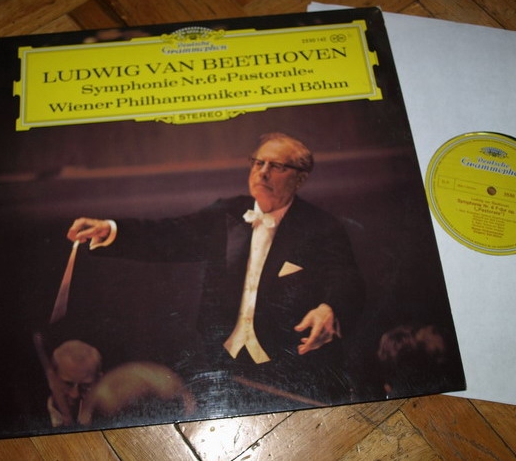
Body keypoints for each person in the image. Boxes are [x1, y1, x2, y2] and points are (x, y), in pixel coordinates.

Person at [66, 132, 364, 408]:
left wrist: (329, 308)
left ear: (300, 178)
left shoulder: (321, 227)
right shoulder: (227, 213)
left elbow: (346, 278)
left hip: (290, 370)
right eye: (258, 163)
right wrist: (110, 230)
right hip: (224, 364)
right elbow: (168, 234)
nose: (263, 172)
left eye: (277, 166)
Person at [47, 339, 103, 427]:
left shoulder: (107, 416)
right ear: (51, 379)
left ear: (98, 381)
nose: (75, 395)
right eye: (68, 384)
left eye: (85, 386)